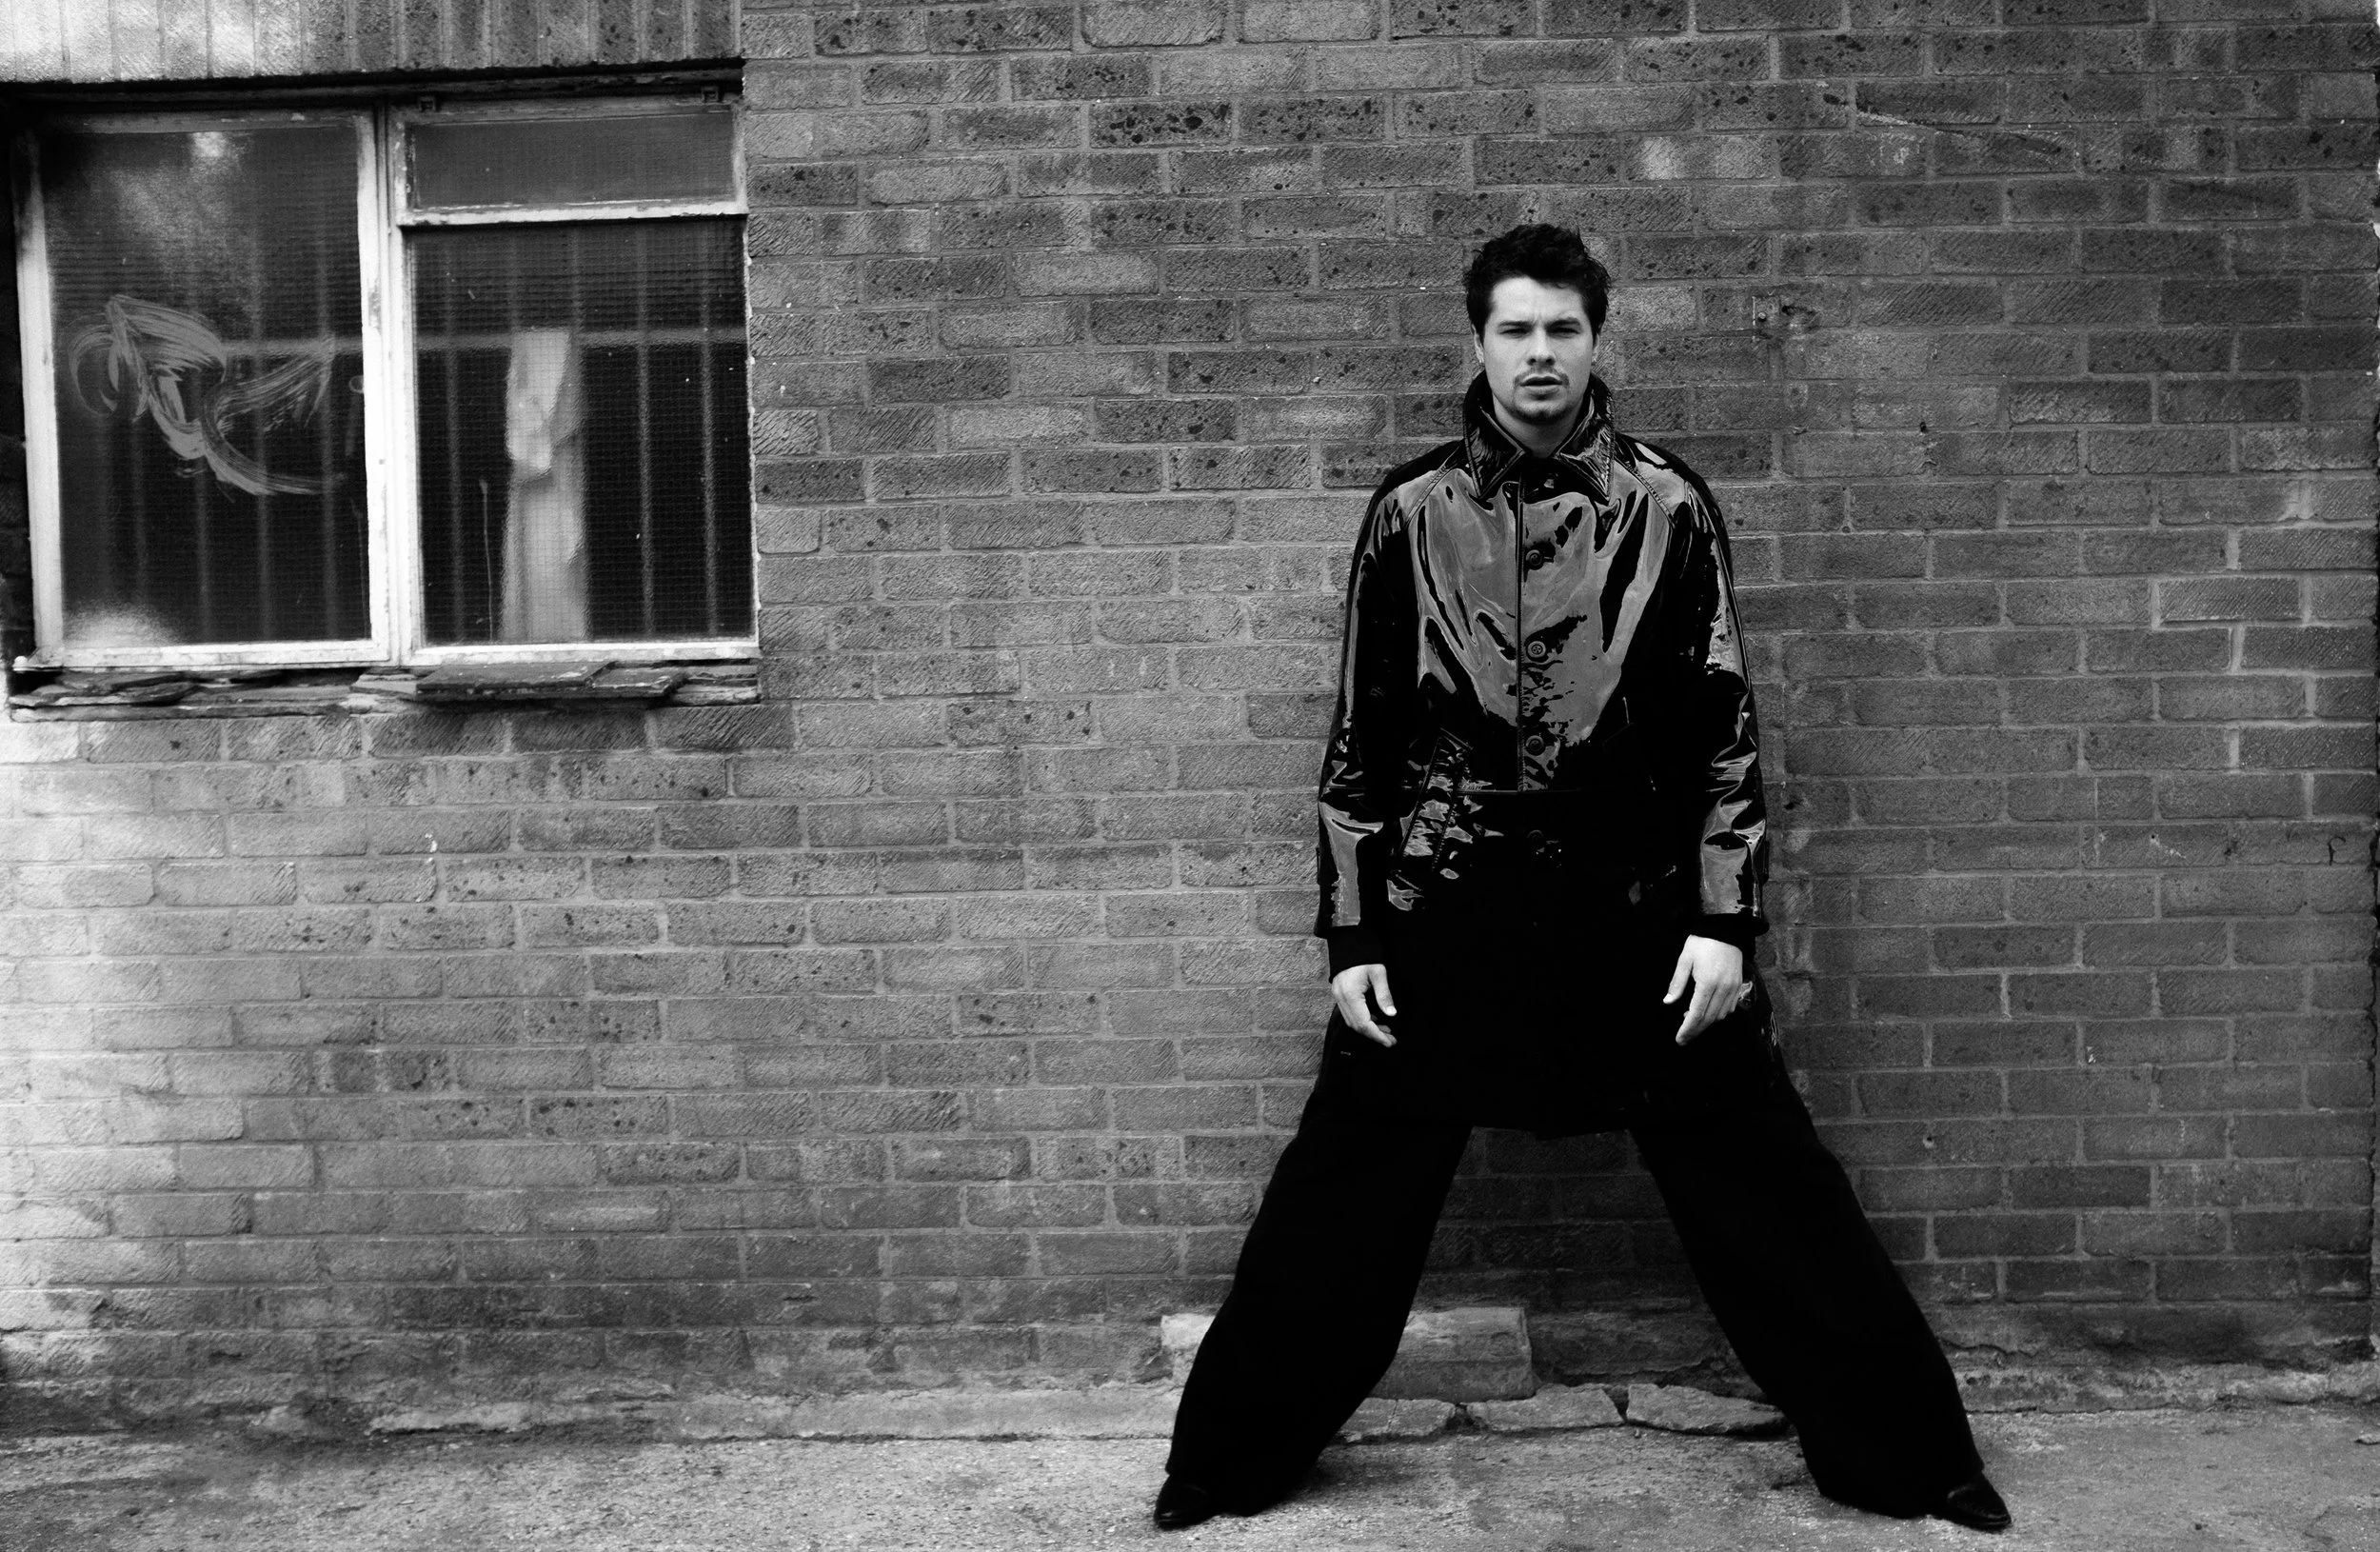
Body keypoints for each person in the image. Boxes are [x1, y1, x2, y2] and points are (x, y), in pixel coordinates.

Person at [1153, 224, 2011, 1535]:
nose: (1540, 353)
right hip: (1445, 907)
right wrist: (1354, 934)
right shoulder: (1411, 511)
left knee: (1765, 1181)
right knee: (1344, 1193)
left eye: (1563, 328)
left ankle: (1914, 1459)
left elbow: (1722, 726)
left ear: (1596, 339)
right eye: (1516, 329)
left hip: (1637, 913)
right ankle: (1223, 1459)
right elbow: (1363, 738)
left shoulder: (1667, 504)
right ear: (1479, 342)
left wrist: (1724, 918)